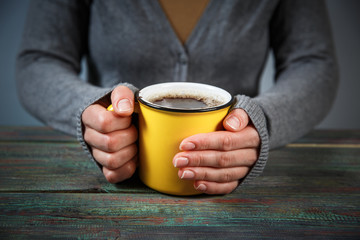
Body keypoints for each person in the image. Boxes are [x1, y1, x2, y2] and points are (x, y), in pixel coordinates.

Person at [16, 0, 338, 195]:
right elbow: (39, 60)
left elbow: (313, 64)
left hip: (235, 208)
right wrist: (93, 110)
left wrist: (262, 121)